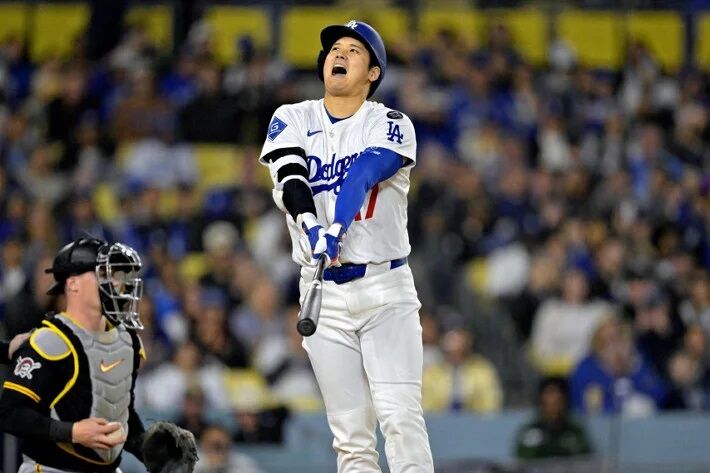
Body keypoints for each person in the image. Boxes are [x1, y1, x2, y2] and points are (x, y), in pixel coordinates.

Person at [259, 20, 434, 473]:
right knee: (351, 438)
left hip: (384, 288)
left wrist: (334, 228)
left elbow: (362, 174)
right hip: (324, 291)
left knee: (399, 417)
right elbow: (291, 177)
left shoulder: (390, 122)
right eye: (335, 48)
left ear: (373, 73)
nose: (339, 54)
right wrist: (309, 224)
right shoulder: (292, 116)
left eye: (354, 50)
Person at [0, 237, 196, 472]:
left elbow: (118, 410)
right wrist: (72, 432)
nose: (117, 283)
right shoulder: (49, 342)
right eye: (104, 274)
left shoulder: (127, 341)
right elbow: (10, 413)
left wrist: (147, 448)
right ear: (73, 284)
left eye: (118, 275)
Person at [515, 377, 592, 460]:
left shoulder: (575, 432)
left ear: (565, 403)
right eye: (548, 404)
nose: (553, 409)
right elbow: (523, 461)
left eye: (557, 402)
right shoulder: (530, 433)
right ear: (540, 403)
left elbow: (585, 461)